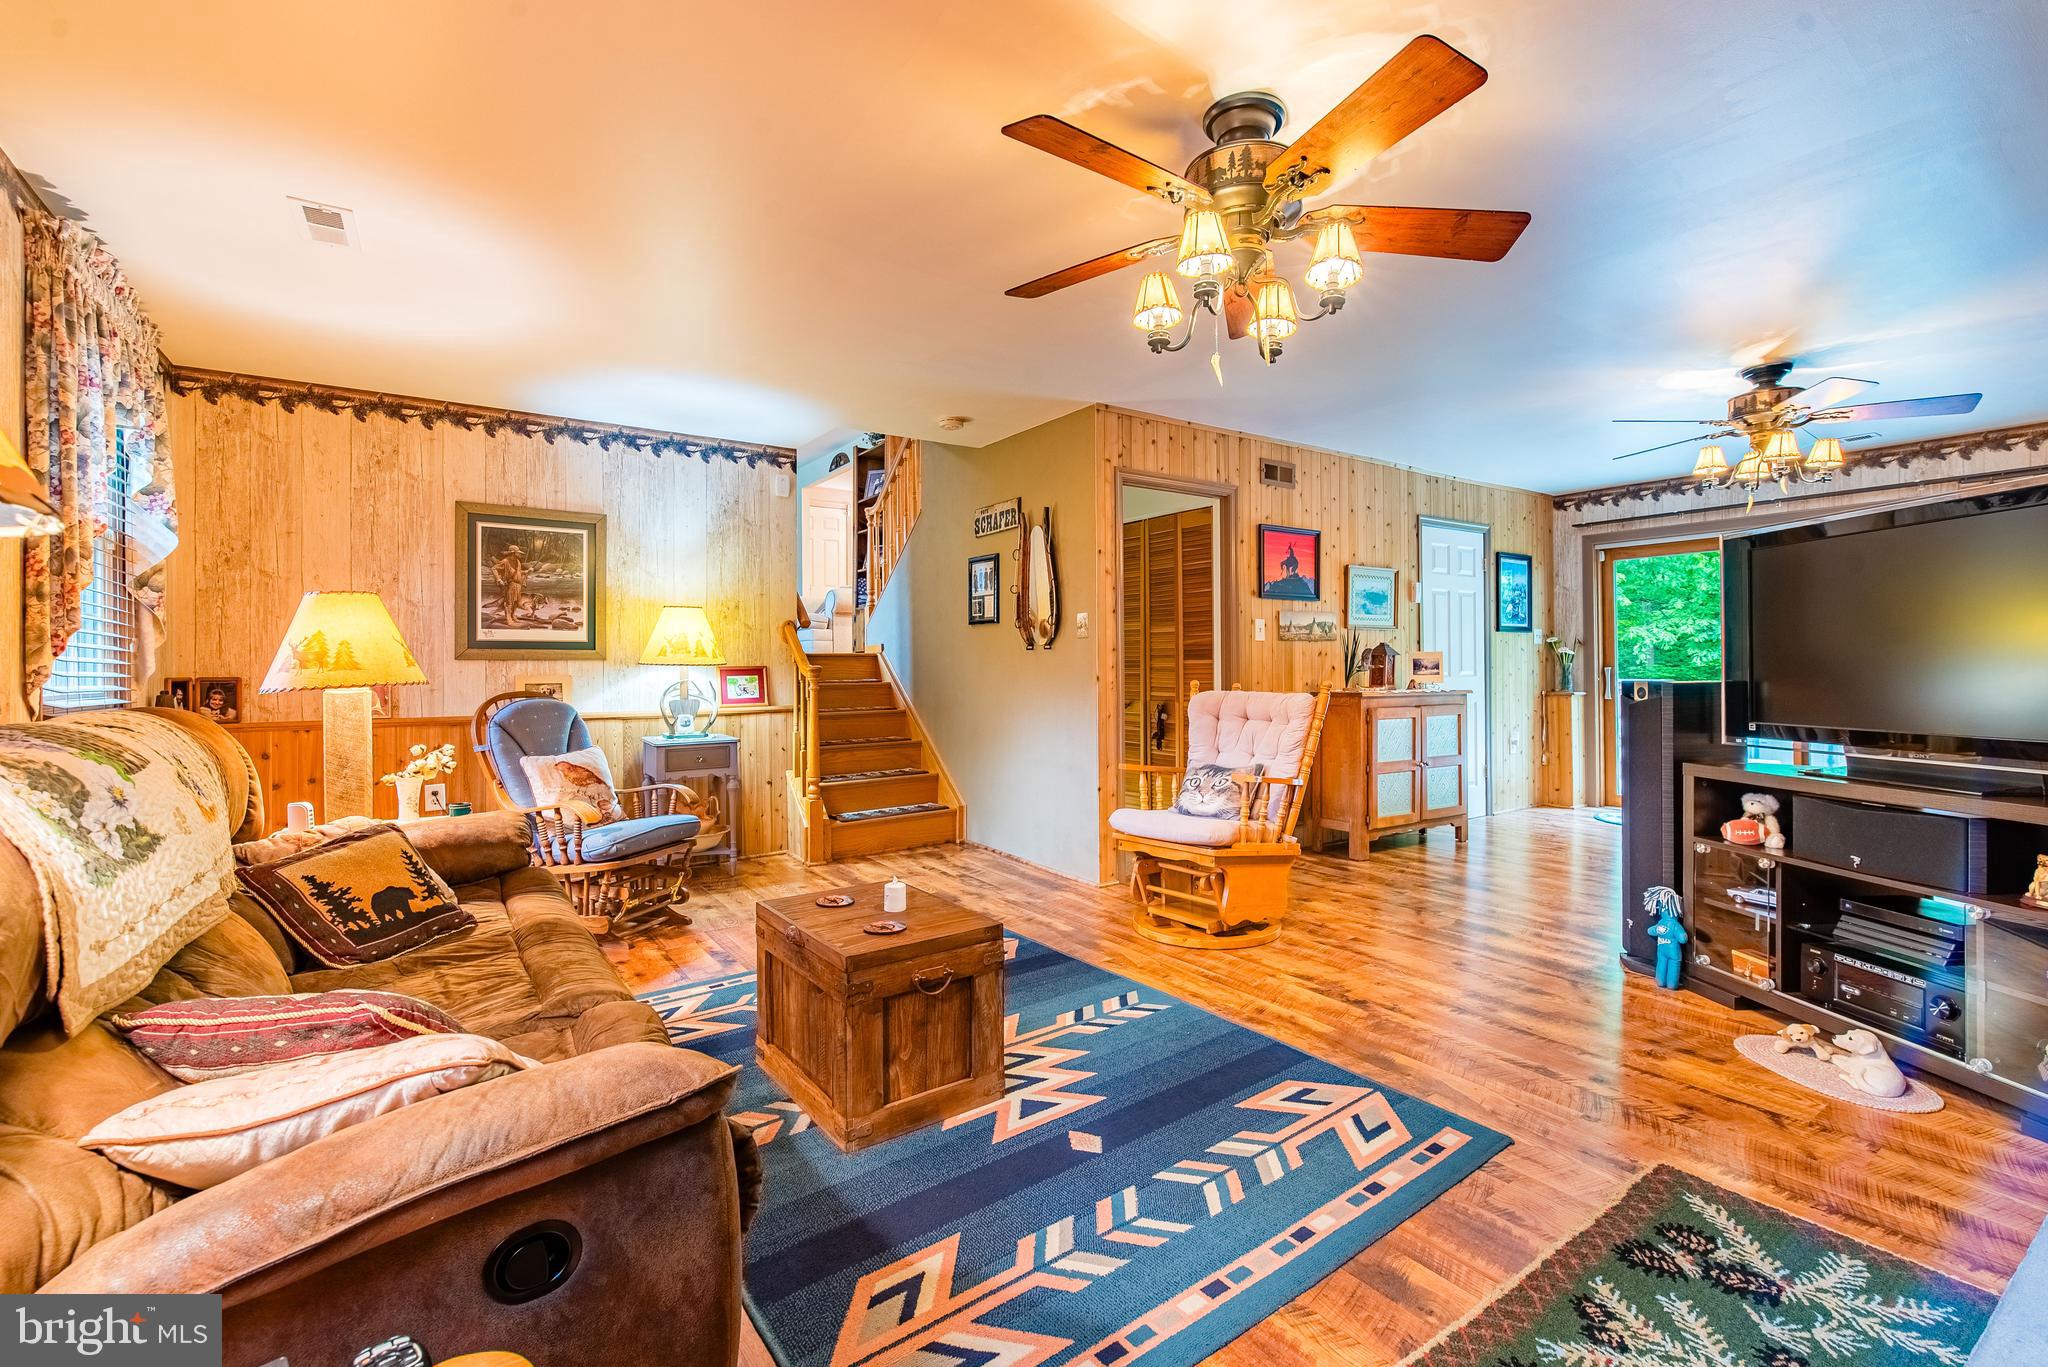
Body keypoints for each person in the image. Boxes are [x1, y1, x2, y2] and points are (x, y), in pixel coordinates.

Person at [490, 543, 527, 625]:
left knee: (516, 602)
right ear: (513, 553)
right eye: (518, 553)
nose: (519, 554)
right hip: (510, 584)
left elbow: (519, 572)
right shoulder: (505, 561)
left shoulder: (518, 562)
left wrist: (526, 572)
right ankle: (508, 618)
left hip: (518, 585)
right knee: (509, 602)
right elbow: (493, 568)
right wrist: (498, 579)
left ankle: (513, 616)